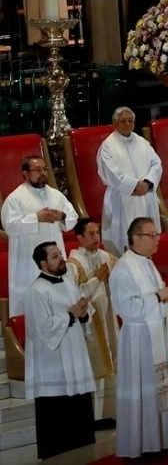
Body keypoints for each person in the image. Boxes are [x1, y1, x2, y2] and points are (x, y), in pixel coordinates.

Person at [109, 217, 168, 459]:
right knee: (142, 389)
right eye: (151, 235)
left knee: (157, 388)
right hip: (138, 339)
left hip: (155, 333)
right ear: (136, 238)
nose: (157, 238)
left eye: (156, 234)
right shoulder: (123, 268)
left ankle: (159, 440)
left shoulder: (148, 263)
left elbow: (156, 295)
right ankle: (140, 444)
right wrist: (158, 297)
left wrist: (167, 299)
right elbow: (126, 308)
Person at [24, 241, 96, 460]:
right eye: (55, 257)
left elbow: (84, 312)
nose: (62, 259)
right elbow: (43, 328)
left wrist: (84, 314)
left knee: (80, 415)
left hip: (75, 356)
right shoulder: (36, 291)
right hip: (53, 364)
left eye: (60, 254)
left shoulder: (67, 282)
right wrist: (72, 315)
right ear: (43, 263)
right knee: (56, 419)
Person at [1, 155, 77, 316]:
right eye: (37, 170)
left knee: (58, 307)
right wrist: (37, 218)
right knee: (33, 310)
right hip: (27, 262)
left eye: (44, 169)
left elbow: (73, 217)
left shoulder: (56, 195)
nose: (42, 173)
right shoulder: (15, 199)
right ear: (25, 174)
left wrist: (62, 216)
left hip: (54, 258)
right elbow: (10, 227)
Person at [66, 218, 119, 423]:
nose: (96, 237)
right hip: (90, 322)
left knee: (113, 357)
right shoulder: (73, 264)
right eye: (91, 234)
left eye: (97, 233)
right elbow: (74, 296)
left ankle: (109, 412)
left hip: (108, 314)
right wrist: (96, 278)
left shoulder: (107, 257)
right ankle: (94, 416)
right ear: (79, 238)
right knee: (95, 362)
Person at [97, 106, 163, 255]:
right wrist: (134, 186)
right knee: (123, 243)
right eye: (123, 121)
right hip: (122, 198)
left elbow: (156, 164)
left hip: (145, 197)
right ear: (115, 123)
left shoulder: (142, 142)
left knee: (146, 240)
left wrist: (147, 183)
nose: (127, 124)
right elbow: (109, 171)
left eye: (130, 121)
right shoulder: (107, 146)